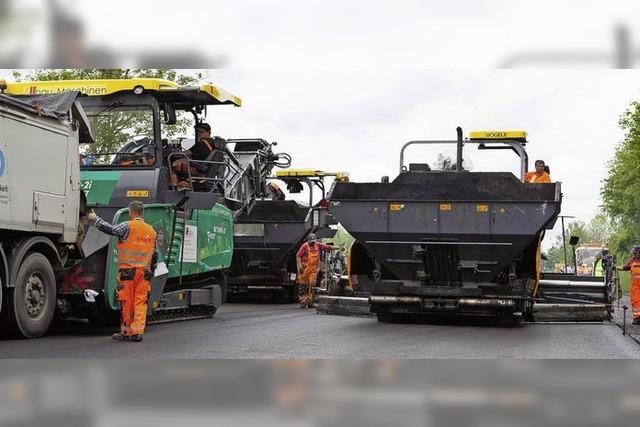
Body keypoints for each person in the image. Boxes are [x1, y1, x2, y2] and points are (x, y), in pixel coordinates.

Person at [88, 201, 158, 341]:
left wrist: (95, 219)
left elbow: (111, 230)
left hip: (128, 273)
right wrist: (152, 272)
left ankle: (126, 332)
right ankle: (137, 332)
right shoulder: (151, 231)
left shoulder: (127, 226)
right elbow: (154, 255)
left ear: (131, 212)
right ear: (141, 212)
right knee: (140, 302)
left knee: (127, 302)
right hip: (144, 273)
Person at [172, 122, 227, 190]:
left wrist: (174, 153)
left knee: (173, 164)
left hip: (198, 168)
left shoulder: (202, 144)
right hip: (203, 168)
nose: (199, 133)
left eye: (201, 132)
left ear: (208, 132)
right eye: (197, 131)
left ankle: (173, 185)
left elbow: (185, 153)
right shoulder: (213, 143)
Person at [296, 234, 337, 308]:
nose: (313, 243)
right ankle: (303, 301)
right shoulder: (304, 246)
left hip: (313, 270)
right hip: (304, 269)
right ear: (308, 241)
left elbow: (327, 247)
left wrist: (338, 248)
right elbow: (298, 256)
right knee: (303, 285)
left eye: (314, 241)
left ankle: (310, 302)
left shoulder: (318, 245)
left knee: (312, 285)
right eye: (311, 241)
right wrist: (300, 266)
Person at [620, 246, 640, 324]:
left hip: (636, 285)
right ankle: (637, 317)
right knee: (635, 301)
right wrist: (615, 267)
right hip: (635, 286)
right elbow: (626, 267)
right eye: (633, 253)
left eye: (635, 253)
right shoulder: (633, 260)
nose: (634, 254)